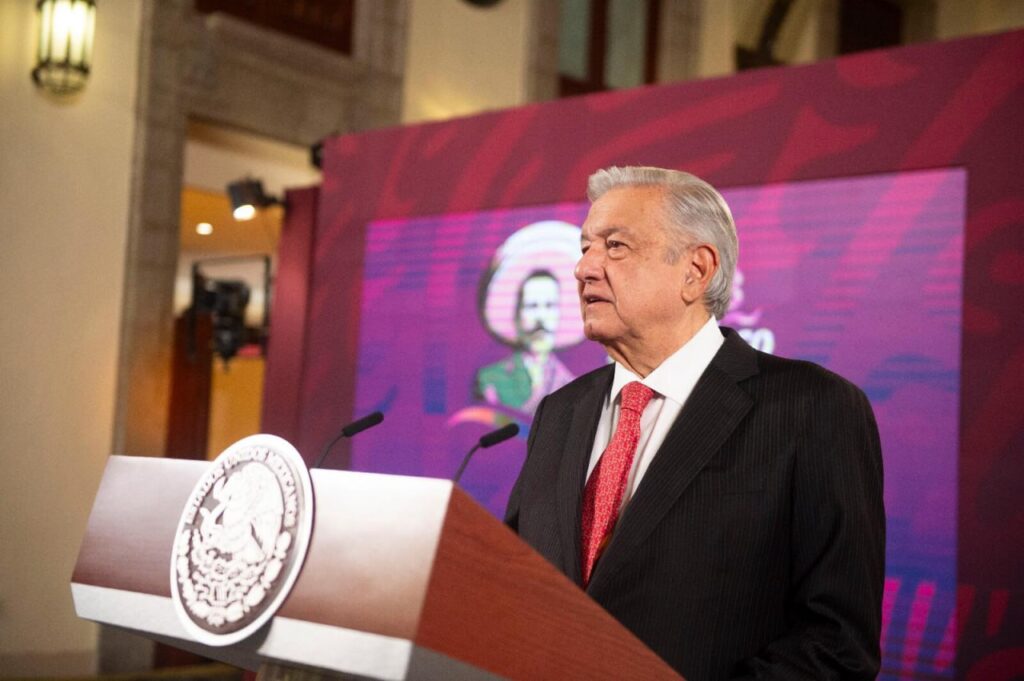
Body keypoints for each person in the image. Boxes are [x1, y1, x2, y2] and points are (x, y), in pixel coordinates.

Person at [505, 166, 885, 680]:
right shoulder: (560, 412)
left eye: (615, 246)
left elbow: (835, 645)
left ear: (695, 271)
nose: (584, 269)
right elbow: (515, 590)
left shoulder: (812, 408)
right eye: (584, 247)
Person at [476, 270, 575, 413]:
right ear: (517, 315)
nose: (540, 317)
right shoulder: (491, 380)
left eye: (549, 306)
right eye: (531, 306)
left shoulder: (571, 385)